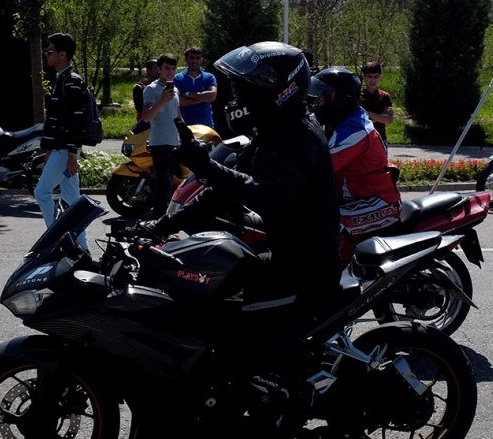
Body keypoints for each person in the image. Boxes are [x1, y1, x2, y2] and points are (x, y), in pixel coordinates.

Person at [150, 41, 341, 310]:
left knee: (216, 314)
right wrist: (164, 225)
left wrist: (207, 168)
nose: (237, 97)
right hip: (287, 252)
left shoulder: (298, 135)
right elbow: (226, 190)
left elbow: (268, 195)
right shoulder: (273, 128)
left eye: (245, 88)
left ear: (278, 89)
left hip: (307, 267)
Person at [308, 66, 401, 259]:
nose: (317, 102)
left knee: (322, 227)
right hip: (353, 200)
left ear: (339, 99)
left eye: (322, 97)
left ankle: (335, 276)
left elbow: (319, 168)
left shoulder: (355, 130)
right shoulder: (340, 120)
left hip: (377, 203)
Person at [35, 32, 90, 249]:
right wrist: (49, 148)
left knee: (42, 192)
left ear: (62, 55)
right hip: (61, 149)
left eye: (50, 51)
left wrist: (72, 154)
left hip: (65, 150)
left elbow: (77, 121)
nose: (46, 54)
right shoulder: (63, 79)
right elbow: (58, 120)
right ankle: (82, 247)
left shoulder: (71, 81)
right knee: (73, 201)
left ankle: (57, 238)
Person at [138, 53, 183, 218]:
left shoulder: (175, 89)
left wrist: (187, 134)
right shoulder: (151, 89)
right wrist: (162, 100)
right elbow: (146, 117)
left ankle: (166, 221)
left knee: (172, 186)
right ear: (158, 69)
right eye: (166, 68)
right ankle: (158, 223)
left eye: (173, 68)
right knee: (164, 186)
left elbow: (178, 115)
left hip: (174, 143)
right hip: (159, 144)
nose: (170, 72)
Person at [173, 47, 217, 128]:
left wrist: (188, 94)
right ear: (186, 59)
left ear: (201, 60)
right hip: (185, 127)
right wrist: (203, 98)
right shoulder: (178, 78)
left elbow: (212, 96)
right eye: (192, 58)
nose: (195, 61)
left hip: (206, 126)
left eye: (198, 58)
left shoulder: (209, 77)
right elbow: (178, 101)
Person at [359, 61, 393, 150]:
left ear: (380, 77)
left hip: (380, 139)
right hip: (361, 140)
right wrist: (379, 117)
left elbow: (389, 119)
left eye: (376, 77)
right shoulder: (358, 97)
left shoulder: (385, 96)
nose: (372, 80)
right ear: (364, 77)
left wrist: (368, 114)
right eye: (369, 77)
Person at [132, 58, 159, 123]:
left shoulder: (162, 85)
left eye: (159, 68)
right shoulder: (139, 87)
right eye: (156, 68)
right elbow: (140, 108)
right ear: (148, 70)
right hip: (145, 121)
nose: (159, 71)